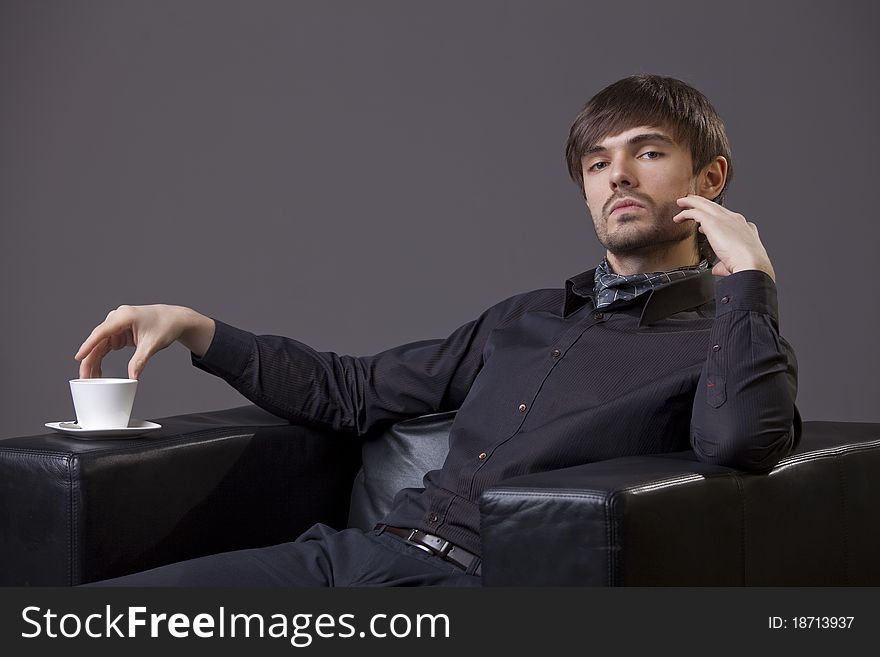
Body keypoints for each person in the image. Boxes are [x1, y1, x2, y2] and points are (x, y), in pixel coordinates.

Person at [75, 74, 800, 586]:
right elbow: (352, 391)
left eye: (647, 152)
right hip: (356, 559)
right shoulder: (525, 316)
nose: (617, 178)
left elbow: (741, 443)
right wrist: (197, 329)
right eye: (596, 162)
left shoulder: (724, 344)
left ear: (710, 180)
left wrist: (748, 279)